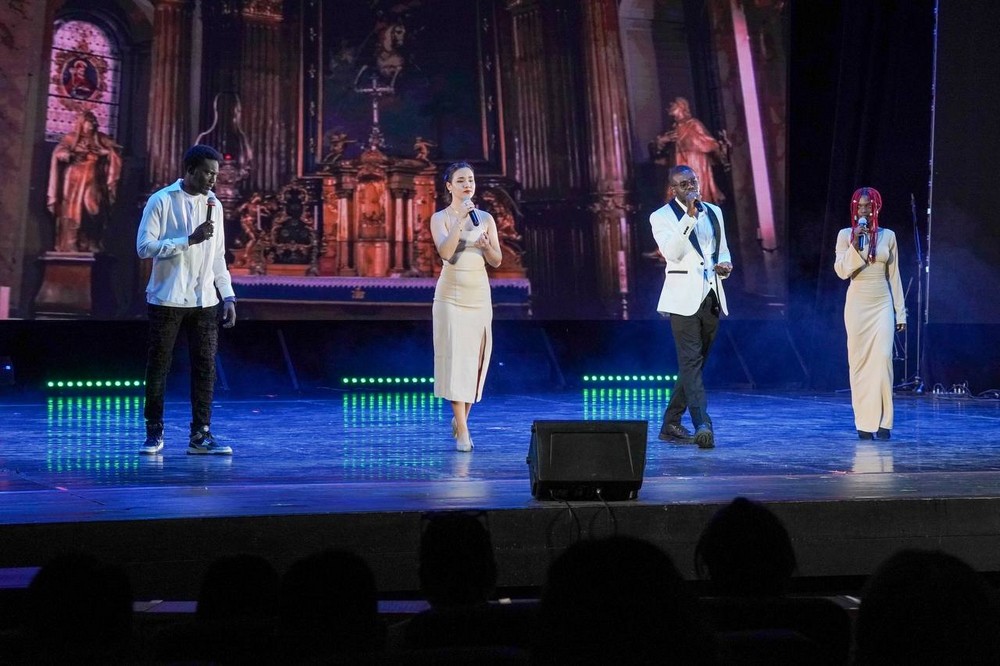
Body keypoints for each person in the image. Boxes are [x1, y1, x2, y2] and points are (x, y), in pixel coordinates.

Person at [136, 144, 236, 456]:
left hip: (204, 300)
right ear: (190, 170)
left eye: (215, 174)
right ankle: (154, 432)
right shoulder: (162, 200)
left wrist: (228, 294)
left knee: (205, 368)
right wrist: (188, 240)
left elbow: (218, 255)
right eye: (207, 172)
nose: (213, 179)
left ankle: (200, 435)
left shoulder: (214, 205)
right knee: (159, 368)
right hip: (167, 299)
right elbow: (144, 247)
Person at [649, 164, 733, 449]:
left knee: (695, 365)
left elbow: (721, 249)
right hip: (682, 299)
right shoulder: (661, 216)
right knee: (691, 362)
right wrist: (689, 217)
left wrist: (725, 266)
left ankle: (670, 424)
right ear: (673, 189)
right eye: (684, 184)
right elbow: (672, 253)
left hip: (711, 295)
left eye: (693, 182)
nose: (691, 188)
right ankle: (702, 424)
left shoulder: (714, 212)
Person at [430, 162, 502, 452]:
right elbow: (446, 253)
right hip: (451, 295)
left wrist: (486, 246)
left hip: (478, 294)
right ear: (449, 186)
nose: (467, 184)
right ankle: (463, 430)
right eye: (460, 180)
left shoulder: (485, 218)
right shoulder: (440, 218)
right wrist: (459, 220)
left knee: (474, 361)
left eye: (470, 179)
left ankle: (461, 419)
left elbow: (496, 260)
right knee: (455, 360)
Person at [834, 187, 906, 440]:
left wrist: (900, 313)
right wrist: (855, 245)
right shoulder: (845, 235)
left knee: (883, 359)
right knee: (859, 363)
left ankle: (884, 422)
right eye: (860, 206)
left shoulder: (889, 236)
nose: (864, 210)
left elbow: (894, 276)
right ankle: (865, 424)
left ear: (876, 208)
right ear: (855, 210)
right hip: (857, 304)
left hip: (882, 302)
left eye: (868, 206)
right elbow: (841, 271)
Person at [46, 110, 122, 253]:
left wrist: (105, 152)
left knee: (93, 206)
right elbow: (59, 151)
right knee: (72, 210)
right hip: (73, 179)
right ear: (82, 123)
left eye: (94, 121)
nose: (92, 124)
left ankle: (91, 240)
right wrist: (69, 154)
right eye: (89, 121)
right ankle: (71, 242)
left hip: (93, 179)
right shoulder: (71, 138)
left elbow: (116, 150)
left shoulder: (101, 138)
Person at [652, 97, 728, 204]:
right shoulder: (672, 129)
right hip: (678, 168)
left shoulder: (694, 124)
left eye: (673, 104)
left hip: (695, 164)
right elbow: (659, 151)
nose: (669, 107)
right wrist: (662, 141)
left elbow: (709, 143)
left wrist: (692, 142)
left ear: (681, 106)